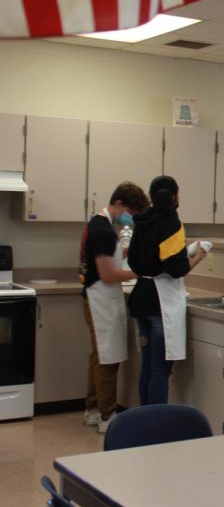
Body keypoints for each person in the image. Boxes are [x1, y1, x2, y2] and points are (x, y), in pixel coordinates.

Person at [127, 176, 206, 405]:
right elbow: (176, 269)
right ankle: (158, 423)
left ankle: (144, 419)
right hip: (160, 301)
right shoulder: (172, 224)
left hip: (141, 297)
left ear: (151, 196)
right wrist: (197, 257)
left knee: (148, 367)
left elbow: (135, 260)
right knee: (160, 369)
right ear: (174, 196)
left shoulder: (141, 221)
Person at [79, 182, 150, 433]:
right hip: (101, 298)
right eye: (130, 211)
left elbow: (109, 255)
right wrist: (140, 272)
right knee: (107, 359)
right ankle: (107, 417)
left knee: (98, 356)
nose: (130, 217)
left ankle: (92, 409)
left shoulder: (99, 223)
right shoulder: (103, 230)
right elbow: (108, 273)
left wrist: (129, 250)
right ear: (119, 204)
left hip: (96, 296)